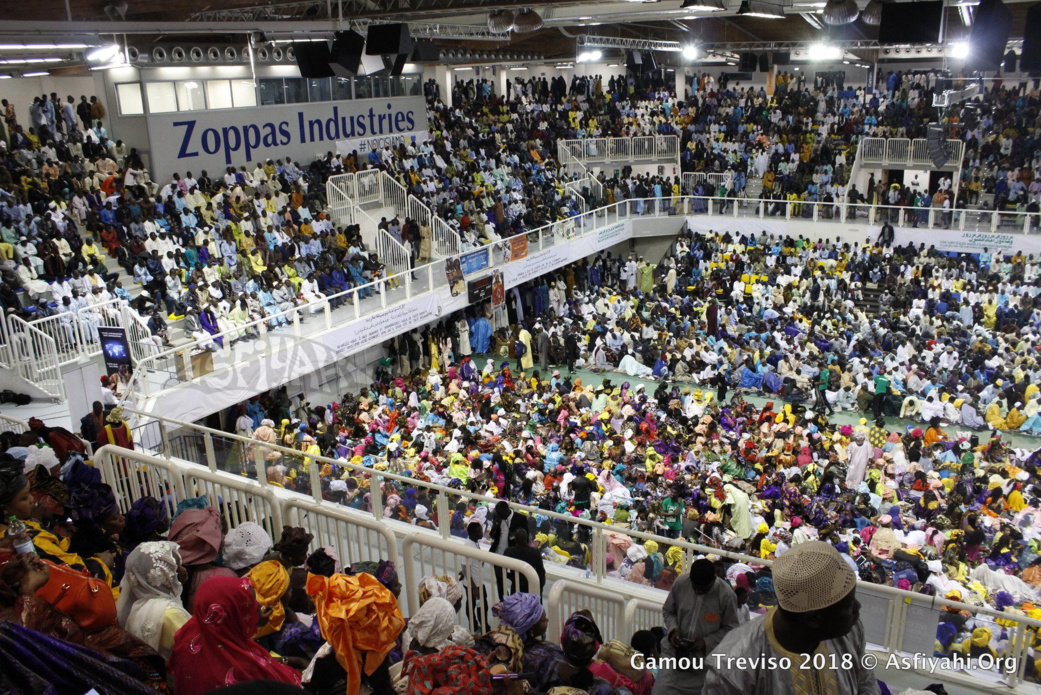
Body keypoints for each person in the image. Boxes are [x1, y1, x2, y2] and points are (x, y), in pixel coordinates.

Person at [704, 541, 879, 695]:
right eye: (848, 605)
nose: (857, 608)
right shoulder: (733, 667)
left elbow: (865, 682)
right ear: (813, 619)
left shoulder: (851, 631)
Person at [169, 575, 301, 694]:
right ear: (234, 615)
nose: (259, 605)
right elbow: (284, 687)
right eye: (251, 604)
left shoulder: (188, 635)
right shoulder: (244, 669)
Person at [651, 558, 739, 695]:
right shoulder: (681, 583)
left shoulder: (726, 595)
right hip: (674, 658)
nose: (698, 591)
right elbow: (668, 611)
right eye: (695, 587)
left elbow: (731, 630)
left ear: (713, 580)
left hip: (704, 666)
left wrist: (706, 642)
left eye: (703, 589)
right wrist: (674, 630)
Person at [116, 540, 192, 660]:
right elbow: (194, 653)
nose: (183, 570)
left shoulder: (136, 607)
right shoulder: (171, 614)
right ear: (161, 574)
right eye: (175, 567)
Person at [489, 500, 528, 599]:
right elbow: (492, 536)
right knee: (500, 580)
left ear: (507, 511)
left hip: (514, 556)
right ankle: (503, 600)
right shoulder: (497, 517)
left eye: (501, 514)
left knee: (516, 580)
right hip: (498, 554)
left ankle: (513, 600)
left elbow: (526, 538)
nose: (499, 516)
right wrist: (495, 527)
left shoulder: (521, 519)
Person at [503, 527, 546, 595]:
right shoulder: (535, 552)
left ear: (515, 539)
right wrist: (539, 590)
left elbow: (501, 571)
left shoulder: (509, 552)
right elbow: (541, 573)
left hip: (515, 587)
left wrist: (512, 577)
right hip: (530, 587)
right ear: (527, 539)